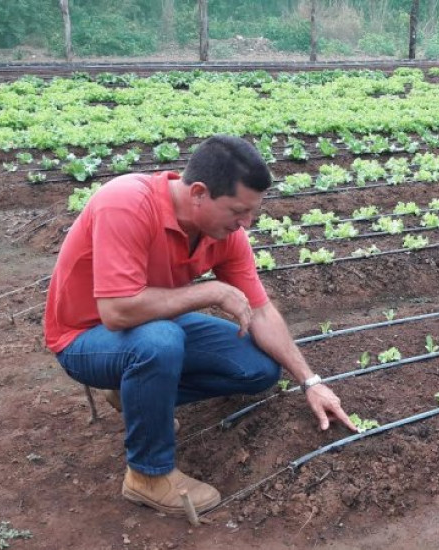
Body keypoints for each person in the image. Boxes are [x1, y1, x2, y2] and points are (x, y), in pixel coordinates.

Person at [44, 134, 356, 516]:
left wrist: (311, 381)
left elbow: (260, 310)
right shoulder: (126, 202)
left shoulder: (225, 233)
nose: (246, 223)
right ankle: (147, 475)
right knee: (160, 342)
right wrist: (212, 291)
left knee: (258, 368)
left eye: (253, 212)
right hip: (84, 337)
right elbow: (117, 312)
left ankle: (136, 396)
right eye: (238, 211)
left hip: (151, 325)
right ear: (198, 193)